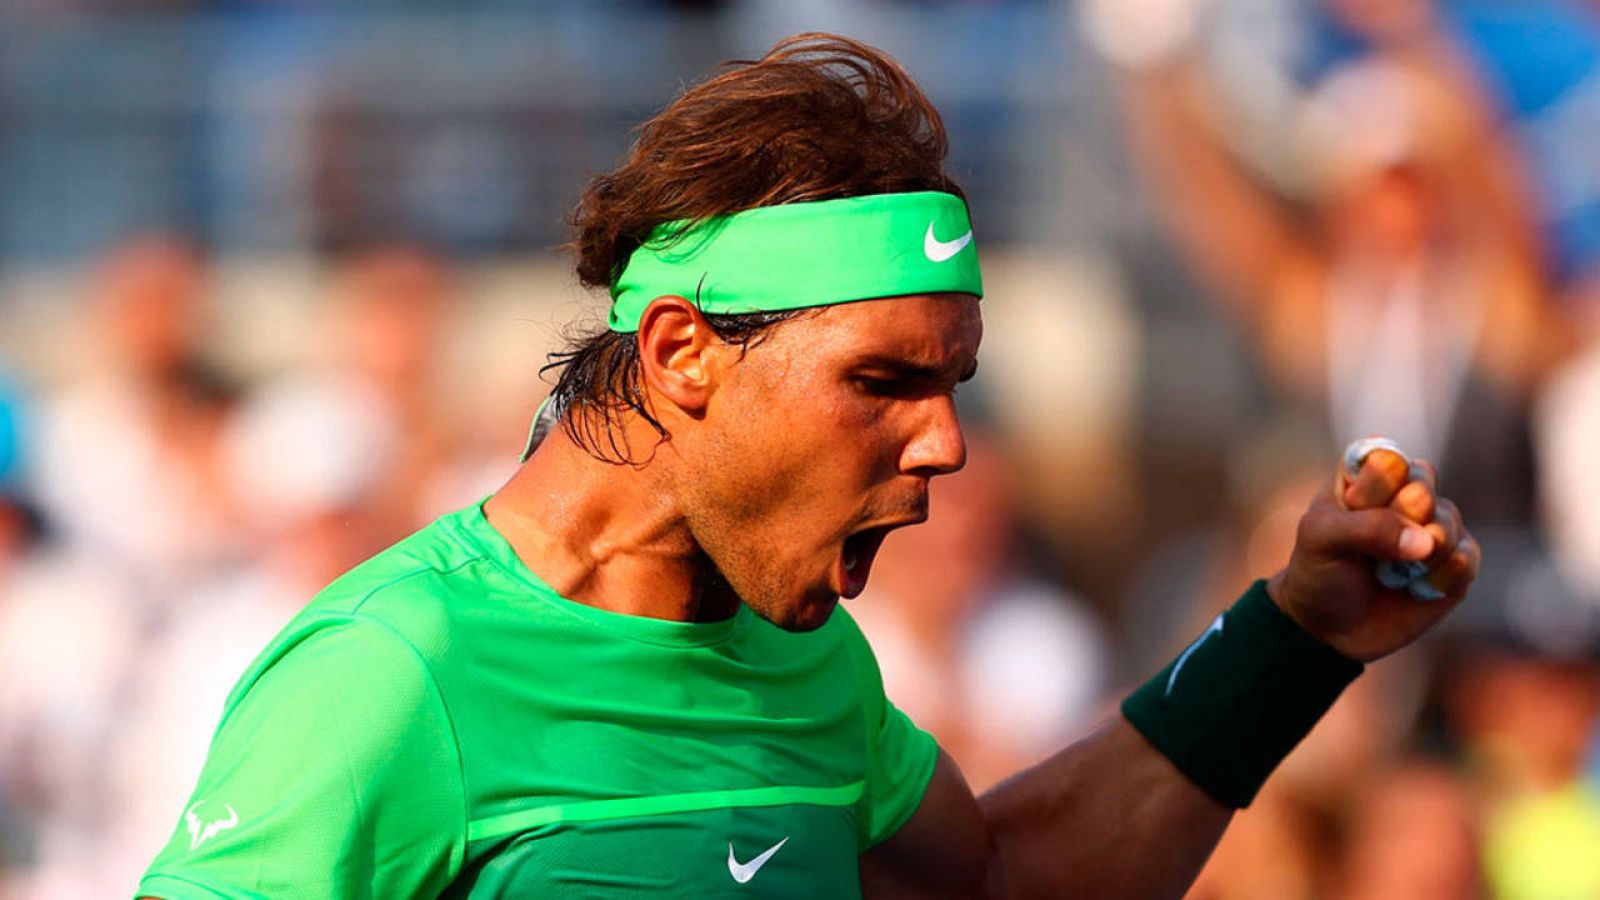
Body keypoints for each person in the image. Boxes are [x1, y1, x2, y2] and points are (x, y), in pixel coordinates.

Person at [135, 33, 1479, 898]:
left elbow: (1008, 877)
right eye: (882, 382)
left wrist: (1292, 642)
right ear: (681, 355)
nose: (946, 442)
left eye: (953, 384)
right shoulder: (393, 673)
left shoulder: (806, 656)